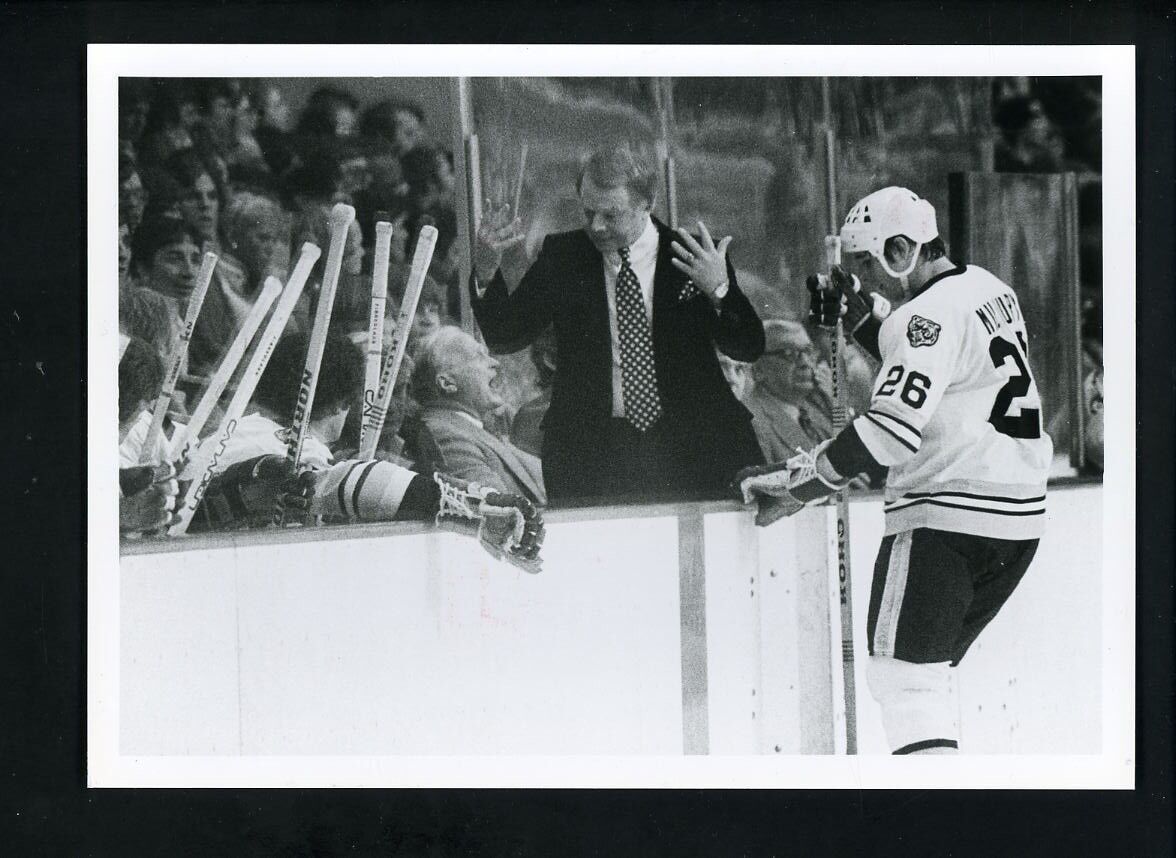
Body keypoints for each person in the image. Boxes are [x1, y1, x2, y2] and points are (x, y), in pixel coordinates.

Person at [738, 186, 1053, 755]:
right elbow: (933, 355)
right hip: (1016, 522)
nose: (867, 275)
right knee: (925, 679)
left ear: (904, 248)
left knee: (905, 680)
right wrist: (864, 308)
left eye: (869, 261)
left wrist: (799, 484)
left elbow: (889, 427)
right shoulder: (987, 287)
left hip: (947, 518)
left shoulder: (923, 316)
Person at [470, 143, 765, 504]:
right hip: (596, 455)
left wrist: (720, 290)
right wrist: (486, 269)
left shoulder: (693, 255)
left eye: (611, 215)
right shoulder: (564, 256)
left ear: (647, 204)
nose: (597, 226)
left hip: (692, 448)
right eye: (588, 212)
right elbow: (505, 334)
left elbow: (749, 345)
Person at [187, 331, 543, 571]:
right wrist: (470, 508)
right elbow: (340, 484)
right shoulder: (294, 452)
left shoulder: (223, 437)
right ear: (346, 402)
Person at [410, 327, 547, 506]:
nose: (494, 363)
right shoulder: (444, 434)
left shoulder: (470, 427)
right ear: (447, 383)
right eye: (479, 356)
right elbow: (499, 512)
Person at [744, 320, 834, 463]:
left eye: (808, 351)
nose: (805, 362)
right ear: (758, 369)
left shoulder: (813, 410)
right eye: (789, 353)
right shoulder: (751, 425)